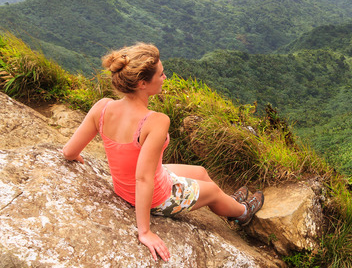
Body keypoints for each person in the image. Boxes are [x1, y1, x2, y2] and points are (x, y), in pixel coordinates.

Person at [62, 43, 263, 262]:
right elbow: (143, 178)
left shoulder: (102, 107)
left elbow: (69, 151)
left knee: (201, 172)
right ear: (142, 83)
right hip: (157, 196)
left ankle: (228, 204)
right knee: (213, 190)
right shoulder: (155, 121)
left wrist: (74, 157)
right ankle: (242, 213)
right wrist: (144, 232)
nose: (165, 77)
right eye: (161, 74)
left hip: (126, 186)